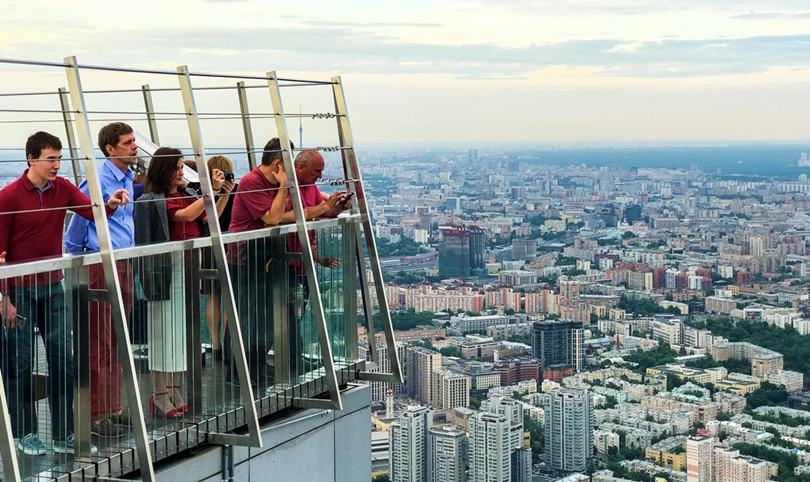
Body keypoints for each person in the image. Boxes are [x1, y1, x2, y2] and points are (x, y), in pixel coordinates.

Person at [0, 131, 127, 455]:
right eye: (51, 159)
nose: (57, 165)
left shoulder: (64, 189)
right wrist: (4, 299)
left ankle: (63, 434)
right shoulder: (9, 197)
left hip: (52, 285)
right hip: (20, 290)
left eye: (59, 158)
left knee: (63, 361)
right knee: (20, 364)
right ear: (31, 159)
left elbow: (91, 213)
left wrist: (109, 205)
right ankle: (24, 433)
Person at [137, 147, 228, 417]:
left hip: (187, 265)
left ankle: (174, 387)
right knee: (163, 330)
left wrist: (222, 193)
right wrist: (210, 191)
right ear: (165, 170)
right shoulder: (155, 199)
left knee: (179, 331)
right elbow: (187, 215)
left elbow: (209, 216)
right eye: (177, 167)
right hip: (167, 269)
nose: (181, 172)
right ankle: (160, 392)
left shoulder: (184, 195)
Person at [64, 122, 137, 438]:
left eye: (134, 141)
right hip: (100, 265)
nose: (135, 146)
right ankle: (96, 414)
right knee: (99, 340)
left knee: (117, 338)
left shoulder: (129, 180)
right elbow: (74, 234)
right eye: (128, 142)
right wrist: (84, 263)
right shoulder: (94, 183)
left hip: (124, 263)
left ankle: (113, 408)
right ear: (110, 149)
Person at [226, 138, 292, 386]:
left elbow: (284, 214)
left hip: (261, 256)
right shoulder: (252, 182)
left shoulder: (267, 184)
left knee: (264, 317)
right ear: (277, 164)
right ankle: (239, 372)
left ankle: (256, 366)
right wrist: (284, 186)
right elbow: (274, 218)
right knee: (249, 317)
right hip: (244, 258)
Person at [284, 149, 351, 379]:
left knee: (297, 314)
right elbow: (292, 216)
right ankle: (290, 360)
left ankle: (294, 358)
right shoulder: (287, 188)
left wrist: (339, 205)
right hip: (286, 261)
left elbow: (325, 209)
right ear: (300, 168)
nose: (320, 176)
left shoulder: (310, 188)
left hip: (301, 262)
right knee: (288, 314)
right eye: (316, 171)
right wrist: (325, 207)